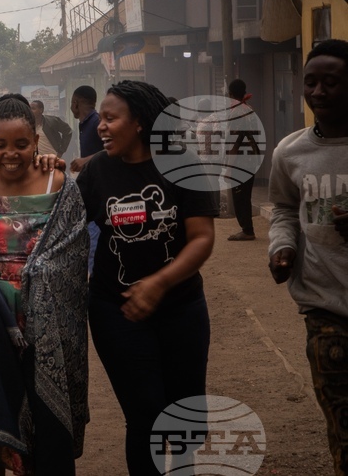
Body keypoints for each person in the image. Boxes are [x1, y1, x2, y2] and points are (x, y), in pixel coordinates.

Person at [76, 81, 217, 476]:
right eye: (100, 118)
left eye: (110, 118)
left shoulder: (183, 164)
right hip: (116, 311)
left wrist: (159, 283)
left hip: (182, 308)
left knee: (186, 416)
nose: (100, 127)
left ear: (138, 122)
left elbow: (202, 238)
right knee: (146, 416)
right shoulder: (97, 172)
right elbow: (62, 230)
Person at [0, 95, 88, 475]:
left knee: (47, 424)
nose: (11, 153)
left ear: (36, 141)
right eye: (0, 145)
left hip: (48, 329)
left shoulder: (57, 184)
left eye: (22, 145)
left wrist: (36, 276)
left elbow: (73, 253)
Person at [268, 39, 348, 475]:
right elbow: (283, 208)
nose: (318, 92)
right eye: (310, 82)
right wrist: (283, 246)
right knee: (342, 424)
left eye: (331, 82)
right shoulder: (290, 152)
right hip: (325, 306)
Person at [70, 85, 103, 273]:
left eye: (71, 103)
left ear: (75, 103)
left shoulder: (97, 123)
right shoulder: (85, 124)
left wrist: (85, 161)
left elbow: (113, 150)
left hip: (100, 191)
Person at [224, 79, 258, 241]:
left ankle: (247, 230)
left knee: (239, 197)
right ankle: (247, 228)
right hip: (252, 159)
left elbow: (235, 143)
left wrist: (229, 167)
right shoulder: (249, 109)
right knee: (246, 195)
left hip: (241, 162)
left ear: (230, 94)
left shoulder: (236, 112)